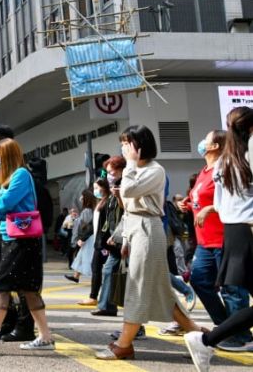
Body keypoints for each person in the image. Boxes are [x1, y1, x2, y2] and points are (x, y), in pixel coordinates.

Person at [95, 125, 203, 360]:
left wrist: (131, 164)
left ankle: (124, 344)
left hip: (148, 230)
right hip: (136, 229)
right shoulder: (136, 169)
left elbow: (130, 191)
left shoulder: (154, 170)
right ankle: (202, 338)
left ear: (140, 145)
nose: (123, 147)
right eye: (122, 143)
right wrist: (124, 238)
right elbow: (128, 208)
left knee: (138, 288)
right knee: (162, 292)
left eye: (127, 143)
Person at [0, 139, 55, 354]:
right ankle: (45, 337)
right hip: (11, 240)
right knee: (29, 291)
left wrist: (0, 200)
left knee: (1, 286)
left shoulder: (21, 175)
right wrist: (0, 197)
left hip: (22, 241)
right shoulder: (1, 180)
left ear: (9, 156)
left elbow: (2, 205)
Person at [185, 107, 253, 370]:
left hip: (233, 231)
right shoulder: (248, 152)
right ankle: (206, 340)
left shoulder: (225, 161)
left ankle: (207, 340)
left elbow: (220, 205)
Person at [92, 156, 126, 317]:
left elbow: (127, 212)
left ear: (121, 170)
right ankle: (107, 306)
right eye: (108, 172)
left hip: (125, 238)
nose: (109, 175)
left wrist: (117, 235)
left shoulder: (126, 186)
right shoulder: (114, 189)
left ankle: (182, 287)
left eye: (112, 172)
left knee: (151, 276)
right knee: (108, 270)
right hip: (116, 240)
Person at [77, 179, 111, 306]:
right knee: (97, 268)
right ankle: (96, 297)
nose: (95, 191)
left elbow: (108, 224)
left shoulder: (109, 203)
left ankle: (98, 298)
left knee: (100, 269)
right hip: (99, 242)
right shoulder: (100, 203)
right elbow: (93, 224)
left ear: (104, 187)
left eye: (97, 188)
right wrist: (83, 237)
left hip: (105, 243)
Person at [65, 190, 96, 283]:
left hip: (88, 238)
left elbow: (88, 227)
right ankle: (76, 276)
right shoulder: (89, 210)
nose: (80, 198)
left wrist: (82, 238)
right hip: (87, 238)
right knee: (81, 257)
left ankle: (96, 278)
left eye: (82, 196)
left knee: (88, 258)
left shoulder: (87, 211)